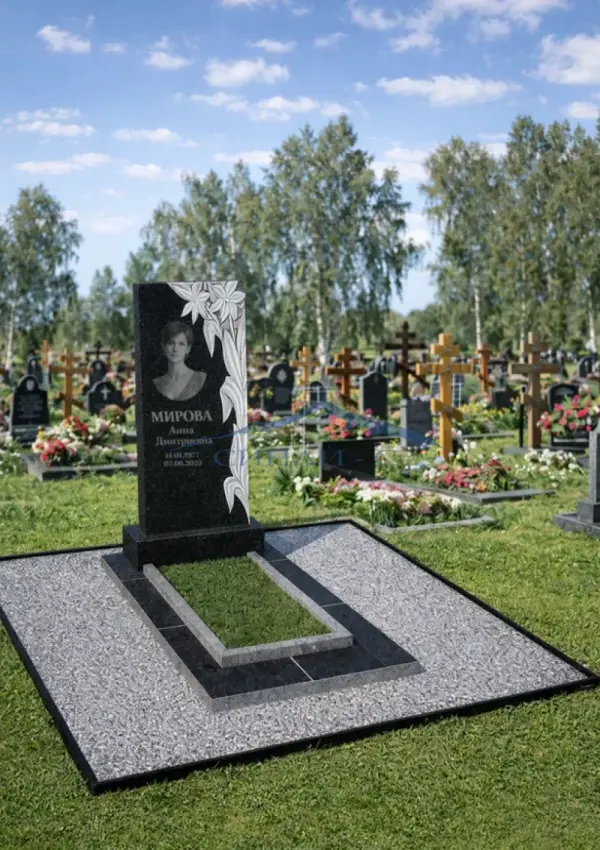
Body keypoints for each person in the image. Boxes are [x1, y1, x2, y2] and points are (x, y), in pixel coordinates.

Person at [153, 320, 206, 401]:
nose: (175, 349)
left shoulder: (200, 379)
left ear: (188, 348)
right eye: (170, 343)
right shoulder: (157, 383)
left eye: (181, 344)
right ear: (163, 347)